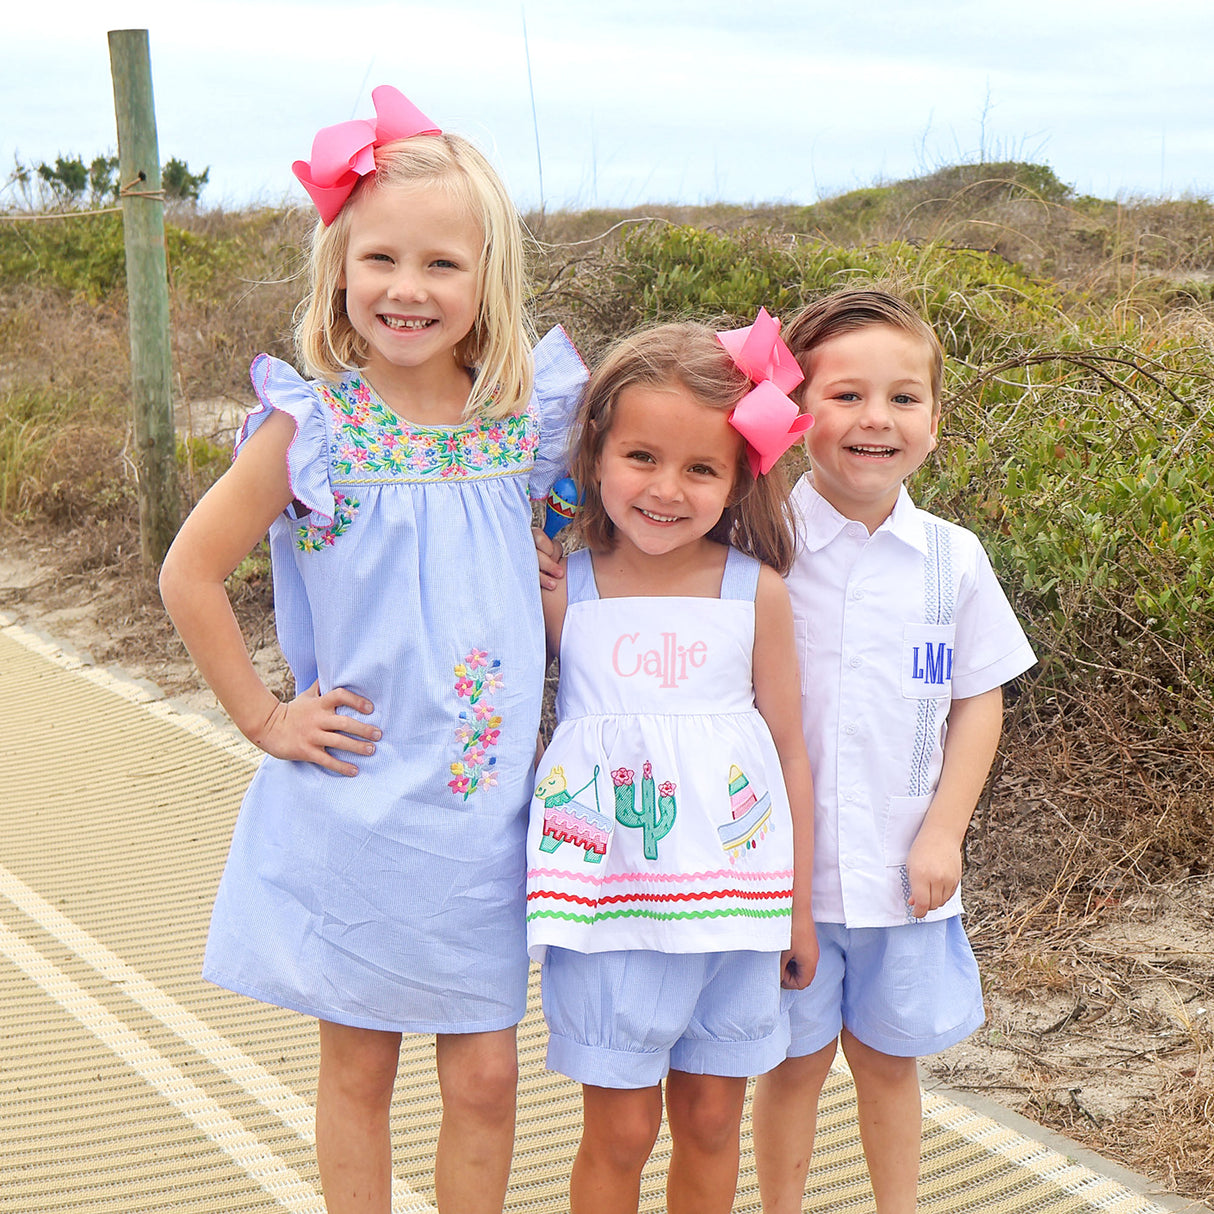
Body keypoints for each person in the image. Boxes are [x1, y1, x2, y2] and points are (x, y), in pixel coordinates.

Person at [158, 85, 586, 1214]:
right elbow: (187, 574)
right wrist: (263, 715)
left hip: (486, 804)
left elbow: (589, 526)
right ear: (338, 268)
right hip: (358, 799)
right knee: (360, 1063)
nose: (408, 288)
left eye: (441, 264)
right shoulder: (314, 430)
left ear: (485, 277)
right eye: (381, 259)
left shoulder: (526, 418)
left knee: (487, 1072)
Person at [749, 289, 1037, 1214]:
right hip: (782, 879)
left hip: (902, 879)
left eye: (904, 398)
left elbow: (978, 703)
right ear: (796, 414)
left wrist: (943, 833)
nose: (877, 420)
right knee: (790, 1069)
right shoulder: (760, 548)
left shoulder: (954, 558)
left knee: (888, 1062)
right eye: (846, 396)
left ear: (935, 419)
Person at [526, 316, 819, 1214]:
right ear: (597, 454)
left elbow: (789, 754)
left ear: (738, 478)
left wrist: (798, 911)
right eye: (641, 457)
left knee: (707, 1122)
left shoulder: (756, 594)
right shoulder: (560, 584)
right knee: (618, 1133)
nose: (665, 489)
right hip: (607, 906)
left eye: (700, 468)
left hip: (735, 911)